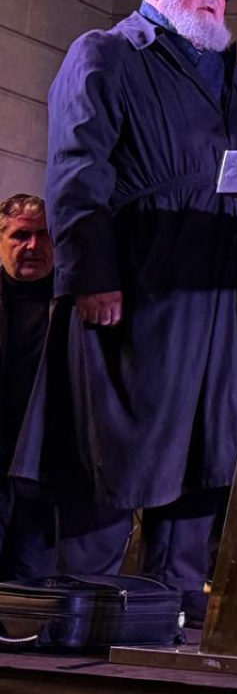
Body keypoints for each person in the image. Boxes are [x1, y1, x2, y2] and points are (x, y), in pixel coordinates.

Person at [20, 0, 237, 626]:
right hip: (142, 275)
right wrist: (89, 272)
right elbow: (76, 168)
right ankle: (84, 600)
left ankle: (176, 598)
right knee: (118, 440)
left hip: (227, 285)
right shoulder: (106, 52)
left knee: (209, 442)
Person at [0, 194, 55, 580]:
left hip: (43, 472)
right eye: (21, 235)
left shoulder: (73, 302)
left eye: (44, 235)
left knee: (31, 590)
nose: (33, 245)